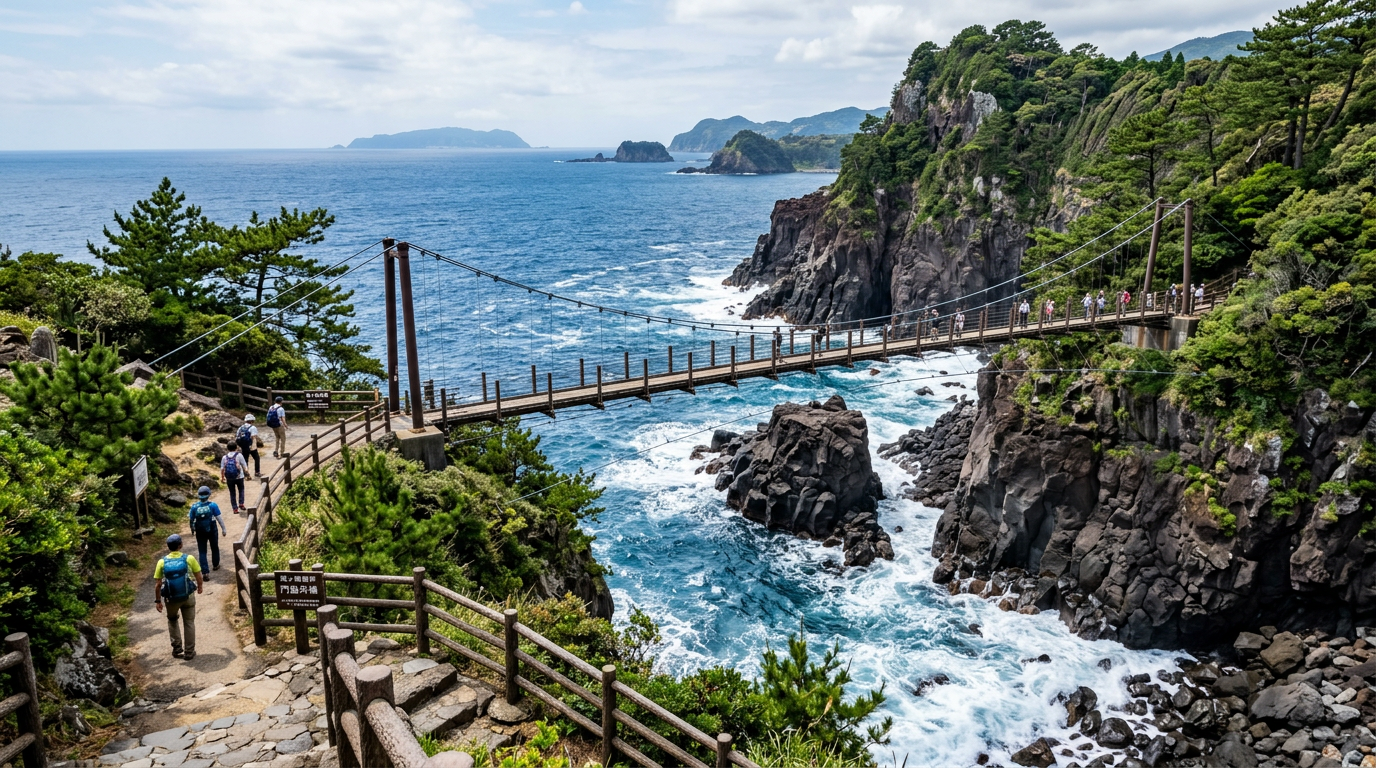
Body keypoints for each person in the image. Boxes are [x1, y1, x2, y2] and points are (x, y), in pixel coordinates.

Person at [154, 533, 203, 660]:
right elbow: (198, 575)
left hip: (171, 599)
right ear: (180, 545)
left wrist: (158, 600)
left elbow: (158, 584)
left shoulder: (161, 562)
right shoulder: (189, 558)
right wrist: (200, 587)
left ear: (168, 546)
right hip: (188, 596)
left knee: (172, 620)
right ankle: (189, 651)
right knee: (189, 622)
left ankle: (177, 649)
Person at [188, 486, 227, 577]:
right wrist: (223, 529)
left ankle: (205, 572)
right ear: (209, 495)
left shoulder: (194, 507)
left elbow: (191, 519)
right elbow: (219, 518)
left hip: (200, 531)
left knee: (202, 551)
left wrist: (192, 530)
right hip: (212, 529)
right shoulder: (213, 505)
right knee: (214, 547)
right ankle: (216, 564)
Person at [222, 445, 249, 514]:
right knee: (241, 490)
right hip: (239, 477)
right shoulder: (239, 455)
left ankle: (235, 509)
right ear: (236, 448)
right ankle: (241, 503)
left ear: (227, 448)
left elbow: (222, 469)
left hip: (229, 478)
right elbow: (244, 465)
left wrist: (222, 478)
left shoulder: (224, 457)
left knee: (232, 493)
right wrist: (247, 474)